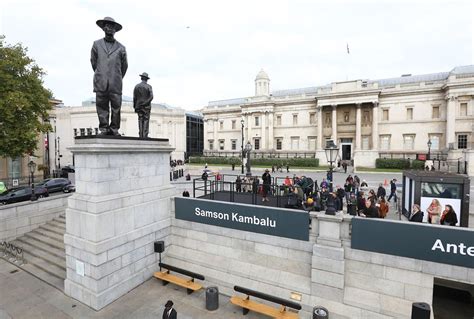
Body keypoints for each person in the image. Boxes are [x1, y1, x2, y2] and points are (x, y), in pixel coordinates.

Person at [91, 17, 128, 136]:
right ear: (103, 28)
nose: (110, 28)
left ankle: (114, 128)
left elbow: (124, 66)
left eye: (113, 27)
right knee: (101, 106)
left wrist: (116, 76)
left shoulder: (121, 48)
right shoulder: (96, 44)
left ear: (115, 30)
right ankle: (104, 128)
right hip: (100, 81)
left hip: (115, 83)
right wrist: (101, 73)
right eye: (108, 26)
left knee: (116, 107)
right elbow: (93, 62)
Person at [133, 72, 153, 138]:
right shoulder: (149, 87)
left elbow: (134, 97)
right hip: (146, 106)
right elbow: (151, 97)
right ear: (147, 79)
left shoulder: (136, 86)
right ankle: (145, 135)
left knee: (140, 119)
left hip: (138, 106)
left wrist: (135, 106)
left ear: (141, 78)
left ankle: (141, 135)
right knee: (146, 120)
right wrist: (146, 103)